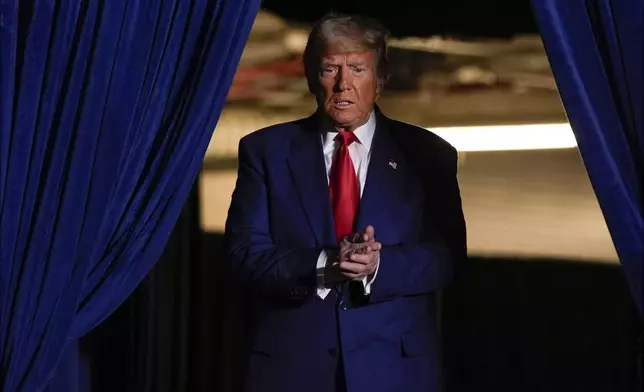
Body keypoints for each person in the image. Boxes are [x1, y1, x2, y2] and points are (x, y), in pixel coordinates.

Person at [224, 12, 467, 392]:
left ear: (380, 78)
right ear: (310, 78)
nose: (343, 85)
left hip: (393, 371)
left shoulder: (428, 155)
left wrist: (378, 265)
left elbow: (446, 259)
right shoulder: (264, 152)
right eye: (329, 70)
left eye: (357, 69)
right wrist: (325, 264)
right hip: (291, 370)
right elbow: (244, 254)